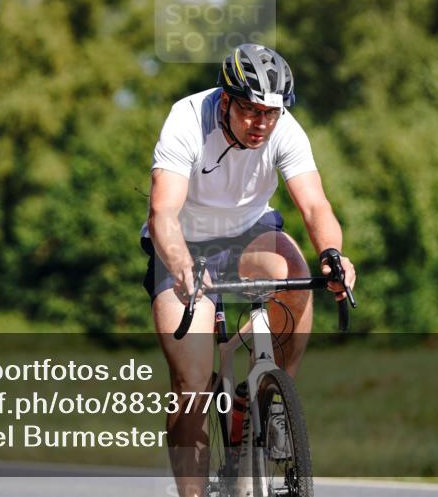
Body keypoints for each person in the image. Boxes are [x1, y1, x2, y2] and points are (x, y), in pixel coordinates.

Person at [141, 43, 357, 497]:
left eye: (271, 113)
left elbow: (315, 204)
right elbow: (163, 213)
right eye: (249, 110)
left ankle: (274, 398)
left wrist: (333, 255)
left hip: (249, 231)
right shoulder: (186, 120)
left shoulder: (285, 130)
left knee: (295, 275)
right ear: (226, 100)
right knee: (192, 388)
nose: (260, 123)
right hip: (185, 241)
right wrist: (181, 265)